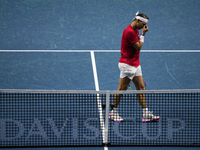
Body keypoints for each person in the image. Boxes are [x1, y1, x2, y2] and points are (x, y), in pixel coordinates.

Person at [109, 11, 161, 122]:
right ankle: (113, 113)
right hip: (128, 65)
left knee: (141, 88)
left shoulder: (135, 29)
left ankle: (146, 114)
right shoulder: (129, 32)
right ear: (138, 21)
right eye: (143, 24)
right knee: (122, 89)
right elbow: (138, 47)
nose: (144, 27)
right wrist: (143, 34)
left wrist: (140, 33)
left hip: (135, 63)